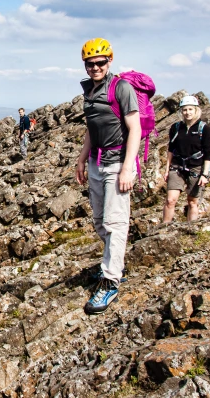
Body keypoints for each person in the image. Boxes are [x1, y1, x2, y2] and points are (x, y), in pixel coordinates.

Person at [75, 38, 141, 315]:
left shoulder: (121, 88)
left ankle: (110, 280)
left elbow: (134, 128)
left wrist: (128, 167)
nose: (95, 67)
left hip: (116, 164)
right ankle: (113, 261)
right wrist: (81, 158)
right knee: (100, 222)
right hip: (95, 162)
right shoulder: (89, 92)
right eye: (90, 64)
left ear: (110, 61)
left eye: (100, 62)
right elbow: (92, 128)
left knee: (115, 222)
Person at [163, 95, 210, 223]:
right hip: (177, 167)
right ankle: (164, 229)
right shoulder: (175, 128)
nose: (187, 112)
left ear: (196, 110)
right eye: (185, 110)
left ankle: (190, 228)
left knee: (192, 202)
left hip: (196, 168)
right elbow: (171, 149)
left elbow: (208, 153)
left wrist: (204, 174)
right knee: (170, 200)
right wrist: (167, 170)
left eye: (190, 109)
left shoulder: (204, 129)